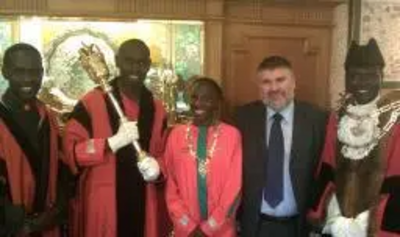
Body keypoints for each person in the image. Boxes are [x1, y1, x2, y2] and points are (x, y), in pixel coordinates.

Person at [64, 39, 170, 237]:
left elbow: (167, 155)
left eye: (141, 63)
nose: (135, 68)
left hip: (144, 202)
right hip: (104, 202)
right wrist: (110, 143)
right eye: (129, 61)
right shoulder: (91, 103)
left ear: (148, 65)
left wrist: (159, 168)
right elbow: (71, 152)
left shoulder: (157, 109)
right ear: (117, 61)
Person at [309, 39, 400, 237]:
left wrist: (380, 225)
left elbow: (397, 178)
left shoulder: (395, 116)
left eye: (369, 76)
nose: (361, 83)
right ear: (346, 78)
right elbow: (327, 166)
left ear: (381, 76)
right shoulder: (338, 115)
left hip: (378, 221)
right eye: (354, 76)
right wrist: (321, 213)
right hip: (339, 218)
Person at [235, 56, 328, 237]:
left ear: (294, 83)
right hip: (255, 225)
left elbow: (323, 171)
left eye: (280, 80)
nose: (274, 88)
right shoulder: (242, 118)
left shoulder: (317, 119)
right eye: (266, 82)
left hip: (299, 226)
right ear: (259, 87)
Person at [0, 43, 68, 236]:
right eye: (19, 72)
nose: (29, 79)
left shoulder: (48, 116)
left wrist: (58, 209)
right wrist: (27, 225)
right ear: (5, 72)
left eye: (35, 72)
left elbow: (62, 168)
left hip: (49, 225)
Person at [164, 77, 242, 237]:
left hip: (222, 230)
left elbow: (234, 188)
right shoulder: (176, 135)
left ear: (217, 103)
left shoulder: (232, 135)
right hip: (185, 231)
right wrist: (188, 226)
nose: (198, 103)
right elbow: (171, 186)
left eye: (206, 99)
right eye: (194, 97)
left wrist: (209, 228)